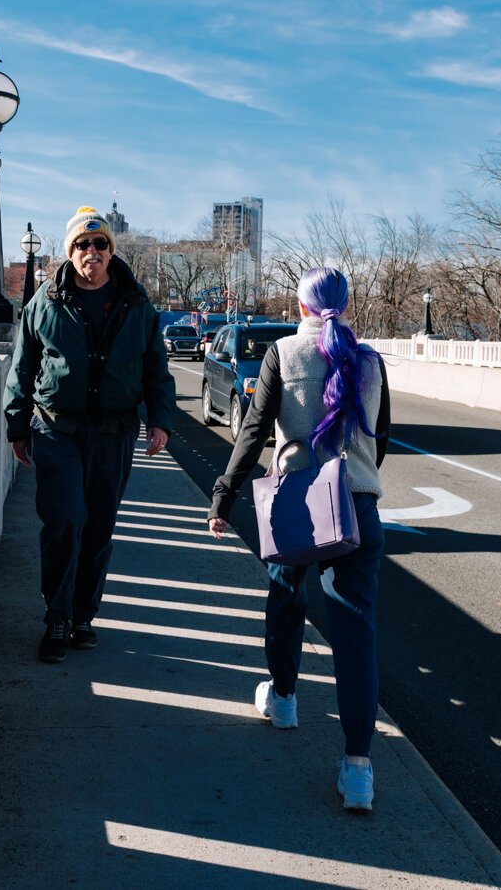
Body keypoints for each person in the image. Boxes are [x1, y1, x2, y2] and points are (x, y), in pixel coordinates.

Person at [207, 266, 391, 811]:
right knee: (356, 634)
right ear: (347, 305)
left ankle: (284, 699)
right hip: (357, 506)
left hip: (299, 506)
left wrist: (224, 496)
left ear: (301, 306)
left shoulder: (283, 355)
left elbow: (254, 431)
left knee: (287, 598)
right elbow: (380, 442)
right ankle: (359, 767)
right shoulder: (371, 361)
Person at [5, 205, 175, 664]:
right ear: (70, 252)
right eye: (82, 244)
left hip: (113, 434)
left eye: (100, 244)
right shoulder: (44, 302)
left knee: (98, 527)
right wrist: (17, 425)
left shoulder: (136, 304)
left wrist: (160, 420)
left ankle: (83, 616)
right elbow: (22, 368)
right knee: (63, 521)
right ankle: (56, 618)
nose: (92, 252)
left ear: (110, 250)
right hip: (57, 430)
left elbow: (156, 370)